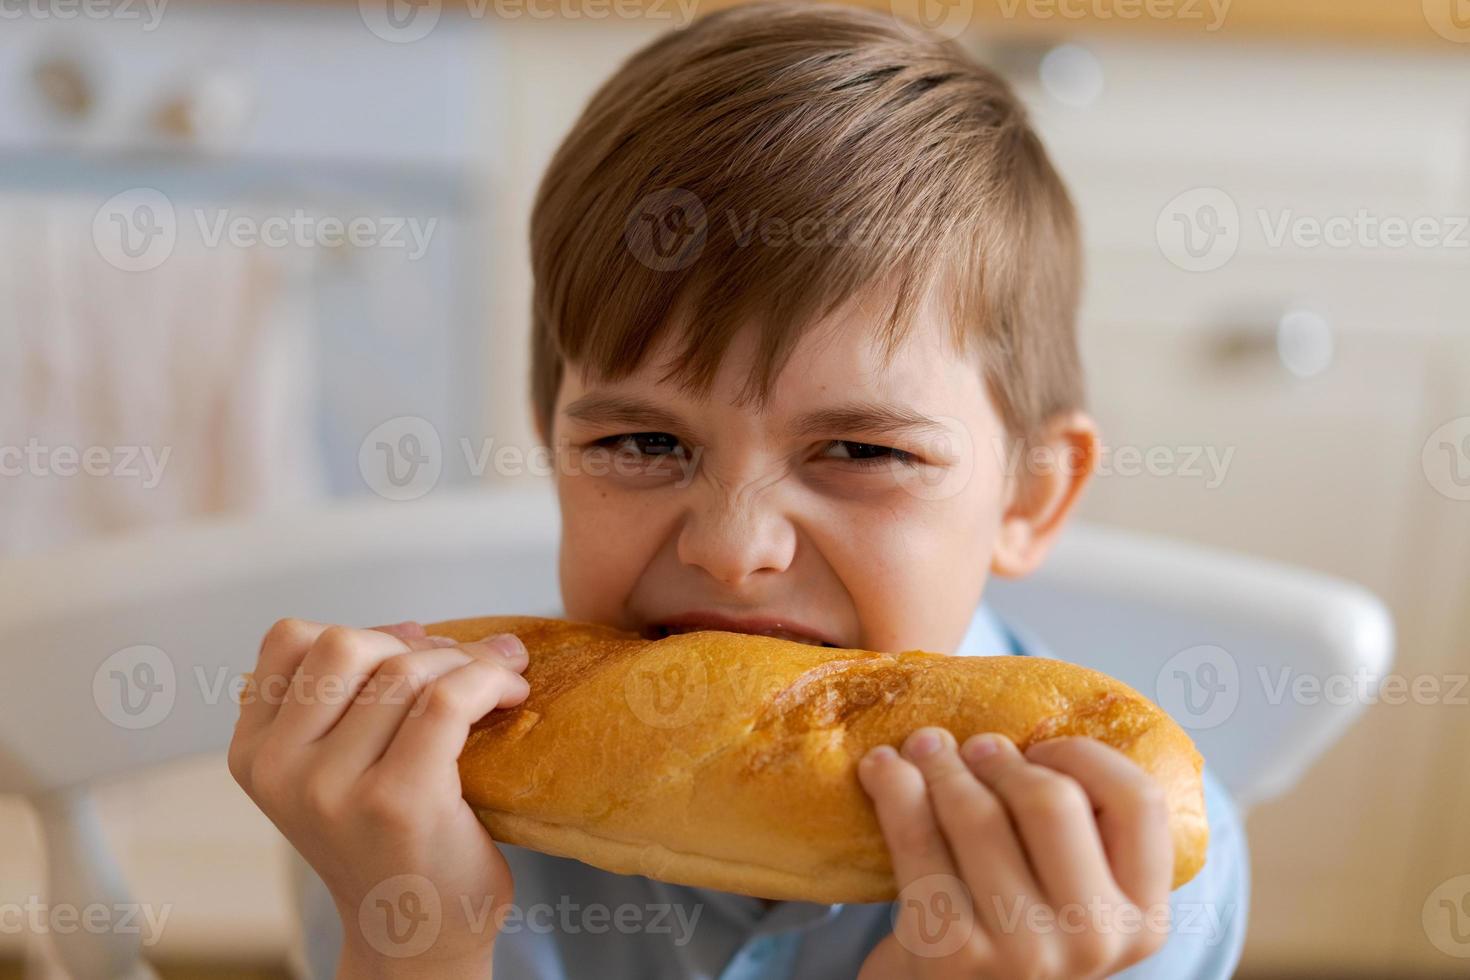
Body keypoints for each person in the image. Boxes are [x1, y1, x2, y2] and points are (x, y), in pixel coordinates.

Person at [229, 2, 1249, 976]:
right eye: (642, 439)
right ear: (551, 450)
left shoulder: (1120, 877)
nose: (732, 545)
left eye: (859, 450)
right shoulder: (397, 809)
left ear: (1029, 494)